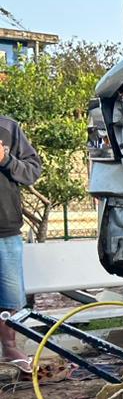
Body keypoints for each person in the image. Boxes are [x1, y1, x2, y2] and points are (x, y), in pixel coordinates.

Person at [0, 114, 42, 373]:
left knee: (9, 296)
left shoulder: (7, 128)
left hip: (4, 229)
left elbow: (32, 171)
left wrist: (5, 160)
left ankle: (10, 347)